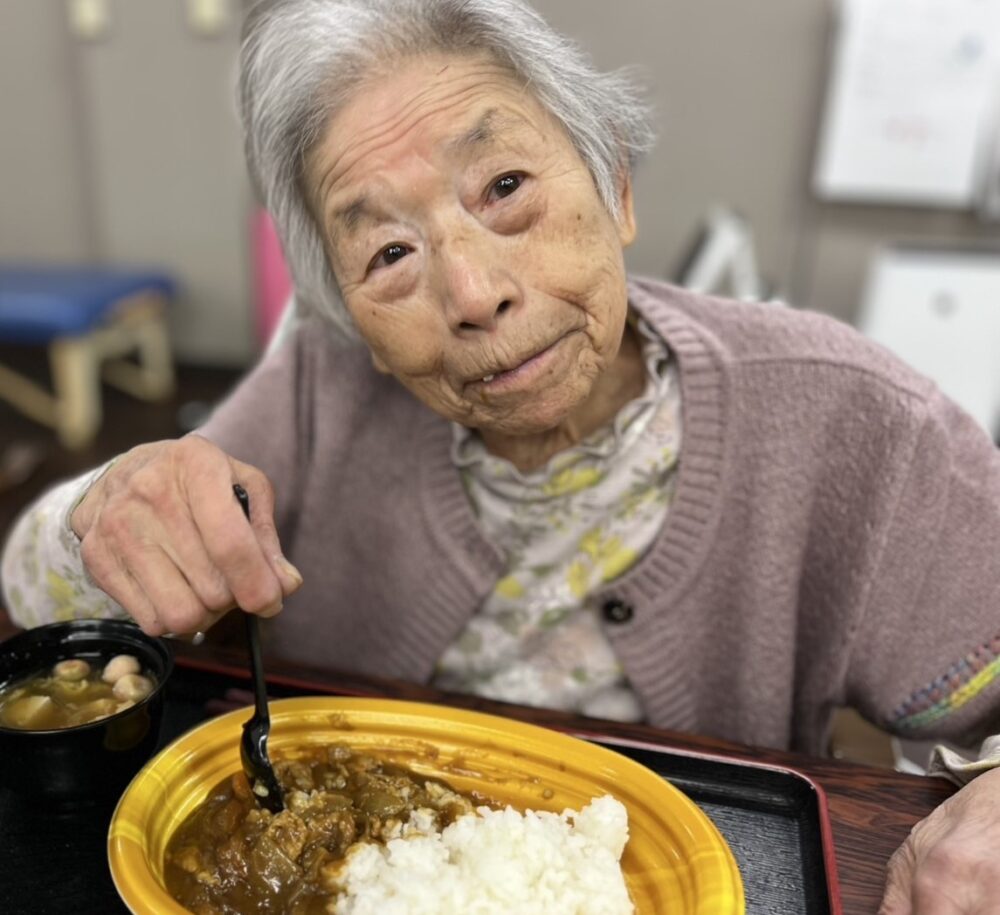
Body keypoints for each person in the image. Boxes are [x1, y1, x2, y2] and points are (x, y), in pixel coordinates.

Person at [2, 0, 999, 909]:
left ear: (613, 183)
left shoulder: (858, 418)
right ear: (347, 312)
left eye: (507, 187)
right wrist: (106, 510)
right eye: (388, 254)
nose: (474, 293)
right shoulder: (322, 382)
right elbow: (53, 607)